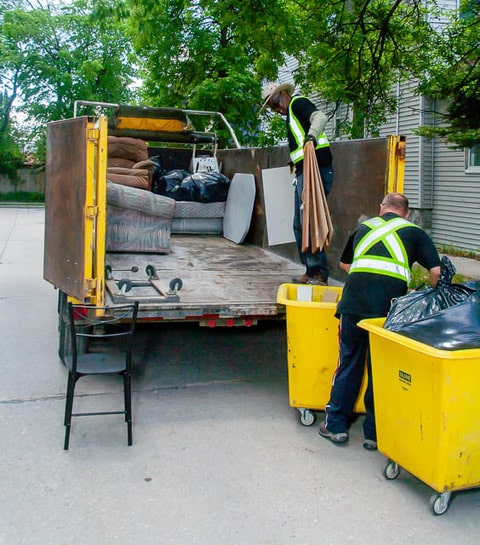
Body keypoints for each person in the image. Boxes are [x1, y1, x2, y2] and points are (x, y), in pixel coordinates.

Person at [318, 192, 441, 450]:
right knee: (381, 369)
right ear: (406, 213)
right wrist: (429, 292)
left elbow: (344, 263)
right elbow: (436, 271)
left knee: (349, 362)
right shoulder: (414, 232)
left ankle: (336, 426)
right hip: (388, 309)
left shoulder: (364, 227)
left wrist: (367, 276)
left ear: (382, 208)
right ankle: (374, 433)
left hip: (354, 304)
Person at [261, 82, 334, 285]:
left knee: (310, 221)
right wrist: (295, 161)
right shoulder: (292, 113)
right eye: (272, 108)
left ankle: (319, 273)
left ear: (283, 94)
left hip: (316, 170)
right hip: (305, 171)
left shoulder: (298, 103)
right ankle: (310, 269)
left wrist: (311, 136)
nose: (277, 109)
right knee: (299, 224)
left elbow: (319, 117)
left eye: (275, 103)